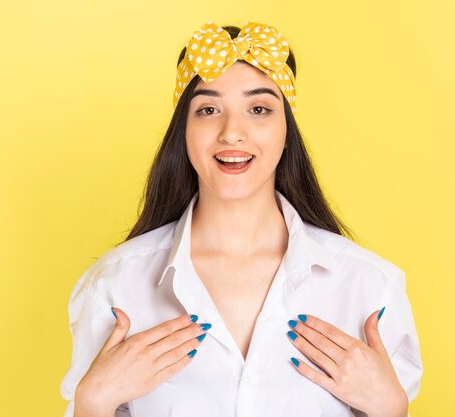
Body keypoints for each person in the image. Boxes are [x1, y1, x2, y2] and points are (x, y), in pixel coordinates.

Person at [59, 20, 423, 417]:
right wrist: (92, 404)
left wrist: (392, 409)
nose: (232, 133)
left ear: (287, 130)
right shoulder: (115, 287)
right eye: (209, 109)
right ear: (184, 130)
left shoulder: (370, 287)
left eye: (259, 109)